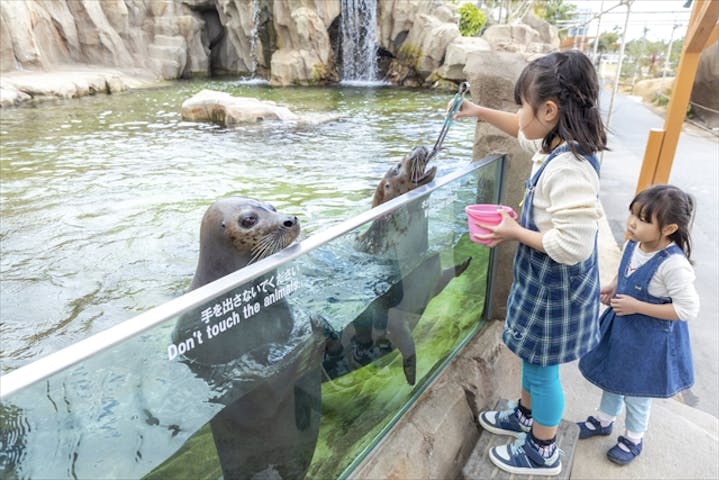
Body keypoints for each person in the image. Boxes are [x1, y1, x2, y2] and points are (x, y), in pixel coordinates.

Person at [453, 50, 606, 476]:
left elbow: (572, 245)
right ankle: (524, 416)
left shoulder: (570, 168)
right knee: (532, 358)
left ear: (550, 110)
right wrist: (479, 111)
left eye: (522, 105)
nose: (519, 114)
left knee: (543, 372)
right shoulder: (555, 143)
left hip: (556, 290)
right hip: (543, 284)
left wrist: (514, 232)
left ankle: (543, 449)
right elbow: (521, 132)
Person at [576, 184, 699, 465]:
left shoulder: (674, 265)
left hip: (648, 340)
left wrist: (637, 306)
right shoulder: (635, 243)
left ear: (668, 229)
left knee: (637, 390)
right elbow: (626, 273)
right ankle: (604, 419)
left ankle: (634, 437)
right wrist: (612, 287)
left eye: (643, 219)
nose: (632, 222)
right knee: (613, 374)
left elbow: (687, 309)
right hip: (622, 330)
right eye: (632, 214)